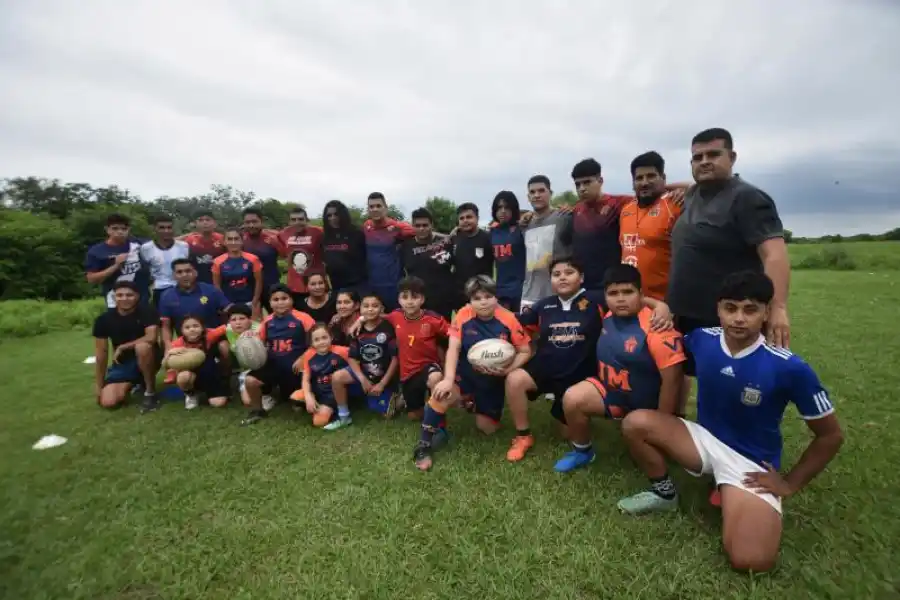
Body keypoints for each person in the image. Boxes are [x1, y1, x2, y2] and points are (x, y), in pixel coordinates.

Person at [616, 271, 843, 573]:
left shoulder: (790, 367)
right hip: (703, 440)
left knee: (752, 561)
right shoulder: (701, 339)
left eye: (750, 309)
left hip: (748, 463)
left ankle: (729, 491)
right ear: (718, 309)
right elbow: (665, 350)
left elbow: (830, 436)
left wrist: (789, 484)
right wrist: (656, 303)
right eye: (730, 308)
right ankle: (664, 493)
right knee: (636, 423)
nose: (738, 318)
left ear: (766, 313)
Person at [553, 264, 686, 472]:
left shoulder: (658, 329)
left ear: (640, 294)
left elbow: (673, 381)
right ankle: (582, 451)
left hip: (645, 404)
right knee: (571, 398)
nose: (621, 299)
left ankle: (658, 440)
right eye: (613, 293)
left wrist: (662, 426)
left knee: (638, 434)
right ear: (605, 296)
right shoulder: (607, 314)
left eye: (628, 292)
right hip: (612, 393)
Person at [668, 128, 791, 348]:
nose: (704, 162)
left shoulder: (747, 198)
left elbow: (774, 255)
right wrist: (660, 187)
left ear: (732, 157)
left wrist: (777, 308)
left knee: (733, 380)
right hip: (685, 316)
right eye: (697, 158)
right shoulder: (693, 195)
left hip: (729, 318)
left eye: (713, 155)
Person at [418, 276, 532, 471]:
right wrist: (448, 379)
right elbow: (453, 349)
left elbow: (526, 351)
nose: (483, 302)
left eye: (488, 296)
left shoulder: (509, 319)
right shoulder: (463, 315)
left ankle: (471, 403)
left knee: (487, 428)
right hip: (466, 374)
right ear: (470, 300)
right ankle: (424, 445)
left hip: (492, 381)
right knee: (442, 390)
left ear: (496, 297)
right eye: (477, 298)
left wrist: (508, 369)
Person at [503, 257, 606, 462]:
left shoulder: (598, 303)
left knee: (567, 434)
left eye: (569, 273)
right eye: (556, 274)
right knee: (515, 380)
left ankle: (571, 411)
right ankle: (523, 436)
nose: (562, 278)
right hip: (545, 367)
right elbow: (516, 325)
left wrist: (660, 306)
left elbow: (631, 301)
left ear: (582, 277)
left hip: (578, 374)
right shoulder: (543, 306)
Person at [241, 285, 316, 425]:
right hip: (274, 365)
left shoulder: (303, 318)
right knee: (250, 381)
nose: (280, 302)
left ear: (291, 300)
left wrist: (303, 358)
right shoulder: (267, 321)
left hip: (297, 368)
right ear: (269, 303)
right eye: (275, 299)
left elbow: (316, 343)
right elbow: (258, 342)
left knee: (297, 405)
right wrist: (250, 337)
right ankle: (258, 411)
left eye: (284, 298)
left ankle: (294, 396)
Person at [380, 276, 450, 421]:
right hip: (407, 373)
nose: (410, 301)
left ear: (422, 300)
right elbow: (376, 316)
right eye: (405, 297)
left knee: (435, 378)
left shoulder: (433, 319)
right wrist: (361, 320)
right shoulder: (395, 316)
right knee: (414, 416)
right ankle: (406, 401)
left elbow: (453, 334)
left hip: (428, 366)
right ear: (399, 300)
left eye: (415, 297)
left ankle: (437, 420)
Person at [619, 152, 683, 302]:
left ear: (663, 178)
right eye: (639, 178)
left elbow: (701, 188)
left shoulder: (676, 205)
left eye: (651, 176)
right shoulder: (626, 210)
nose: (644, 182)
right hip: (631, 301)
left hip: (665, 303)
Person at [158, 258, 232, 383]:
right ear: (174, 275)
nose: (184, 275)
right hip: (186, 343)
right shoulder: (167, 296)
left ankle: (226, 379)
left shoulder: (211, 290)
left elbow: (229, 310)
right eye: (179, 272)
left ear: (195, 272)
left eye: (188, 271)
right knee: (184, 371)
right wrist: (168, 345)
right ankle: (190, 389)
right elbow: (165, 325)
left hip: (213, 338)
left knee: (224, 347)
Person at [331, 293, 400, 427]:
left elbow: (395, 359)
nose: (370, 309)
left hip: (384, 377)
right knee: (337, 377)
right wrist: (362, 379)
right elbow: (352, 358)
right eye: (366, 306)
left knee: (386, 414)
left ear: (382, 308)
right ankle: (344, 415)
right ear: (360, 309)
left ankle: (399, 398)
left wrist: (382, 384)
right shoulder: (356, 330)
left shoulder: (388, 328)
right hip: (364, 372)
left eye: (375, 306)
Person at [567, 159, 634, 292]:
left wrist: (678, 191)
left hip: (612, 285)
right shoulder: (575, 210)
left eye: (587, 182)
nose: (582, 188)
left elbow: (652, 194)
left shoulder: (620, 203)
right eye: (577, 184)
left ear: (600, 180)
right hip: (581, 286)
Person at [91, 281, 159, 412]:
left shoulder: (147, 312)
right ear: (113, 297)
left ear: (137, 296)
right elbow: (101, 353)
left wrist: (123, 347)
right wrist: (99, 385)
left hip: (150, 355)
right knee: (108, 402)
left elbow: (151, 337)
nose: (124, 299)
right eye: (120, 295)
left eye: (129, 295)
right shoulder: (103, 320)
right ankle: (134, 383)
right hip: (123, 362)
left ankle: (150, 393)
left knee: (142, 347)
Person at [520, 175, 573, 309]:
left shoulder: (564, 217)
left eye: (541, 190)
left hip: (558, 294)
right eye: (532, 192)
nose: (537, 195)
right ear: (528, 197)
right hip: (529, 295)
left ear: (550, 193)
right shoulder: (525, 224)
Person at [294, 325, 361, 429]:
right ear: (311, 343)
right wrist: (308, 396)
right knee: (295, 396)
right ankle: (312, 402)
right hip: (318, 389)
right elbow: (306, 379)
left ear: (331, 337)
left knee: (318, 422)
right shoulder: (309, 355)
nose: (321, 342)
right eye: (316, 340)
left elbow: (359, 358)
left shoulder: (342, 351)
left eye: (324, 337)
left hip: (333, 394)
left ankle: (333, 410)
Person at [163, 315, 231, 410]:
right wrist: (170, 354)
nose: (192, 330)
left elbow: (226, 327)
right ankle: (191, 394)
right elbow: (166, 364)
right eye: (187, 327)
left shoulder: (209, 335)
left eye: (195, 326)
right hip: (191, 374)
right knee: (183, 377)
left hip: (210, 373)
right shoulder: (177, 344)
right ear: (181, 330)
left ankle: (222, 385)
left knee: (218, 403)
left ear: (202, 328)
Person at [85, 213, 151, 308]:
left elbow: (165, 244)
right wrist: (115, 266)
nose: (120, 232)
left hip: (142, 301)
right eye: (115, 228)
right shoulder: (97, 251)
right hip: (115, 302)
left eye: (124, 229)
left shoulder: (138, 244)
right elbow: (91, 279)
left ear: (129, 229)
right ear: (107, 230)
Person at [401, 207, 456, 321]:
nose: (422, 228)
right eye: (417, 225)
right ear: (412, 226)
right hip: (417, 303)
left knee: (443, 337)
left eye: (425, 225)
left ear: (432, 225)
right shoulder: (405, 246)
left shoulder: (446, 243)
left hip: (443, 302)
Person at [363, 192, 415, 311]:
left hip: (394, 287)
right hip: (372, 286)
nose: (375, 209)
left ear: (385, 208)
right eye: (371, 207)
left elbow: (423, 232)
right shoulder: (366, 227)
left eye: (378, 206)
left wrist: (451, 235)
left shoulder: (397, 227)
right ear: (368, 210)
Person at [211, 228, 263, 320]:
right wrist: (225, 304)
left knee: (253, 332)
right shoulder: (217, 261)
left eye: (236, 239)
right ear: (224, 242)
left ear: (242, 241)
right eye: (230, 239)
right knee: (232, 332)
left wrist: (255, 302)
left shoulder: (253, 259)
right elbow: (217, 286)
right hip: (229, 305)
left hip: (249, 303)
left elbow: (258, 281)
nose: (233, 242)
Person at [241, 207, 285, 313]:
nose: (251, 225)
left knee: (278, 316)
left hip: (271, 286)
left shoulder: (273, 237)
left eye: (255, 222)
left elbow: (285, 255)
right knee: (252, 322)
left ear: (261, 221)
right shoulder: (240, 239)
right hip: (249, 288)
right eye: (247, 222)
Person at [140, 214, 189, 307]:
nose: (166, 231)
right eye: (162, 228)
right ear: (155, 228)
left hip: (182, 288)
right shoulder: (146, 248)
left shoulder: (184, 246)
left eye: (169, 227)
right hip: (159, 290)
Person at [278, 206, 324, 304]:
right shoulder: (283, 234)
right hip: (294, 286)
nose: (297, 222)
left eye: (300, 219)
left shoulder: (318, 232)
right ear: (289, 222)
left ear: (307, 220)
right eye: (293, 220)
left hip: (315, 285)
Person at [451, 203, 493, 310]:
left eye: (469, 217)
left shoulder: (488, 238)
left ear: (477, 218)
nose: (465, 220)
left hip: (482, 295)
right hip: (460, 295)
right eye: (462, 218)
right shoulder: (454, 238)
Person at [321, 200, 368, 295]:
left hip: (357, 286)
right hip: (335, 287)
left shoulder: (357, 233)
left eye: (336, 214)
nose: (332, 218)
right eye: (329, 216)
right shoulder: (326, 236)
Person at [490, 191, 526, 313]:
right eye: (499, 208)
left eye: (507, 207)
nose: (503, 211)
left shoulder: (523, 228)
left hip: (522, 290)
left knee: (524, 327)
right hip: (501, 290)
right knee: (503, 328)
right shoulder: (491, 233)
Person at [183, 210, 225, 284]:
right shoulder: (189, 240)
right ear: (196, 224)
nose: (205, 222)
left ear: (214, 223)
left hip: (220, 281)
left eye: (208, 219)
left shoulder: (222, 239)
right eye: (200, 220)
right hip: (197, 282)